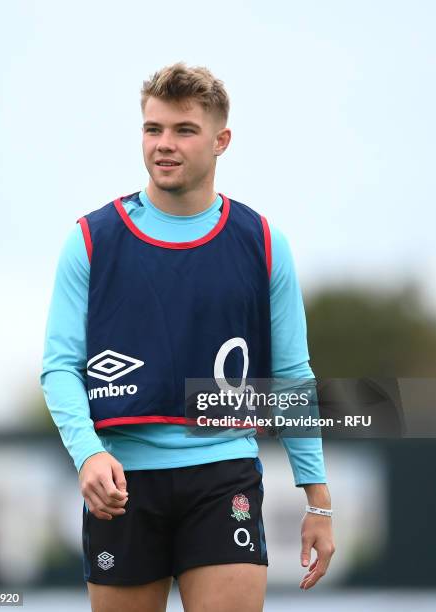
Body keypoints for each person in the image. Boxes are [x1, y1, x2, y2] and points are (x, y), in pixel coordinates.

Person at [40, 62, 335, 612]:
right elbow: (60, 367)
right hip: (123, 486)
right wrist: (87, 455)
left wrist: (317, 501)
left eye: (183, 130)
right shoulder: (91, 240)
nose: (164, 145)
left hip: (224, 477)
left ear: (221, 140)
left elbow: (292, 376)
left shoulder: (264, 243)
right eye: (153, 129)